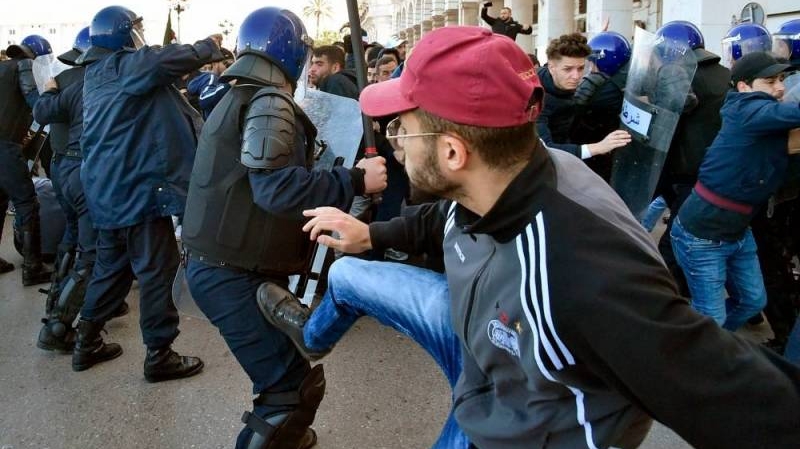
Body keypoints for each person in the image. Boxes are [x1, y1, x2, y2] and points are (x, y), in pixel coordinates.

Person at [263, 27, 800, 449]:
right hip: (484, 346)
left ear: (453, 152)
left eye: (402, 127)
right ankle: (312, 338)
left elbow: (753, 405)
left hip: (518, 426)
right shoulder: (496, 179)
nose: (395, 141)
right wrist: (369, 235)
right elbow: (443, 222)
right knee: (351, 270)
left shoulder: (582, 276)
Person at [180, 8, 387, 449]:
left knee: (293, 379)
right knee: (287, 394)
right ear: (293, 50)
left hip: (231, 266)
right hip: (231, 273)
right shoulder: (269, 100)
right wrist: (354, 179)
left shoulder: (237, 94)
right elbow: (273, 190)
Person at [69, 5, 220, 380]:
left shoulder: (97, 73)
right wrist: (208, 46)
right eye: (136, 29)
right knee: (157, 270)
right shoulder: (124, 66)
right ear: (123, 33)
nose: (141, 35)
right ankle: (159, 354)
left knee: (112, 270)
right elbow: (162, 60)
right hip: (136, 191)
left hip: (109, 191)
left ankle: (85, 342)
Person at [670, 52, 799, 331]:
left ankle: (706, 340)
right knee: (712, 318)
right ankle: (698, 350)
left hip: (739, 232)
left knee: (753, 302)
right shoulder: (744, 109)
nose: (779, 87)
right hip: (702, 235)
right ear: (744, 87)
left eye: (781, 79)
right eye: (769, 81)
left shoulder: (763, 120)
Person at [33, 27, 129, 352]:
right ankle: (58, 326)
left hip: (62, 169)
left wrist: (47, 91)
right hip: (87, 172)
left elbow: (41, 113)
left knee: (73, 239)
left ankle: (61, 305)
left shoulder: (63, 79)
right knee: (91, 252)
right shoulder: (100, 80)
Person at [653, 20, 731, 297]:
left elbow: (667, 117)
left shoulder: (678, 74)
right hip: (719, 169)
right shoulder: (725, 75)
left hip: (687, 170)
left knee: (677, 236)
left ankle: (662, 296)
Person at [1, 35, 54, 285]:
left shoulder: (2, 68)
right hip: (4, 146)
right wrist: (52, 96)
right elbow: (36, 102)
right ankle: (33, 267)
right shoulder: (24, 66)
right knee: (26, 202)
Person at [536, 33, 630, 162]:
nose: (576, 76)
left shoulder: (559, 77)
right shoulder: (535, 98)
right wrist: (598, 148)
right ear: (552, 68)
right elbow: (545, 150)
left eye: (580, 68)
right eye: (568, 69)